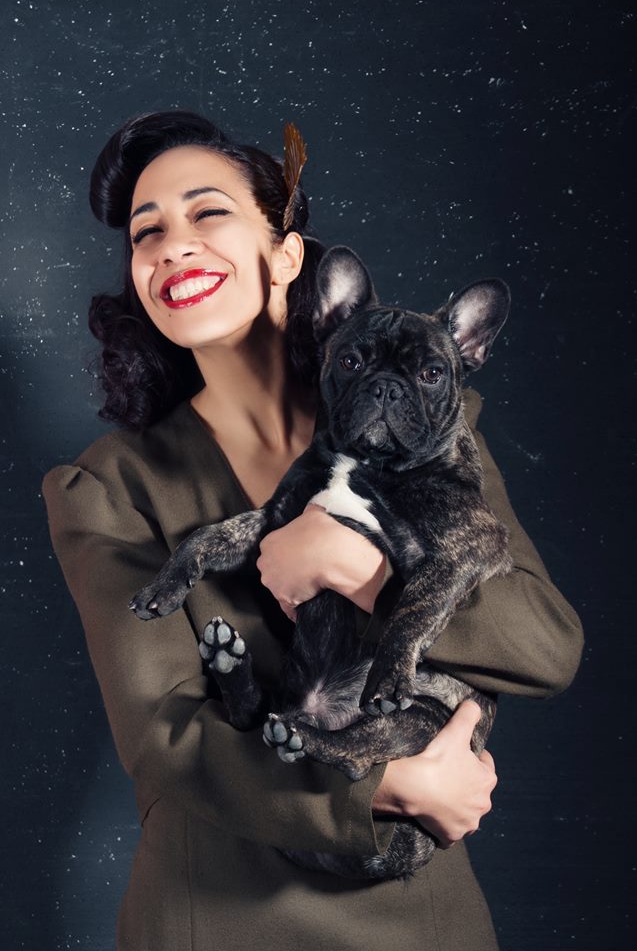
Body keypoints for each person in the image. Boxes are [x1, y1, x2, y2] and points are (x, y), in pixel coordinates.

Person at [43, 111, 583, 951]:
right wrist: (385, 788)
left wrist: (358, 569)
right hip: (223, 916)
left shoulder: (434, 433)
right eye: (147, 233)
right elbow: (163, 736)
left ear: (288, 257)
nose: (173, 246)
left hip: (419, 922)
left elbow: (545, 650)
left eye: (207, 212)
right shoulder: (111, 486)